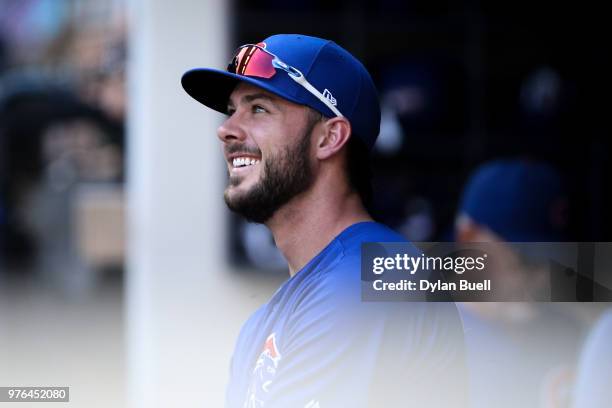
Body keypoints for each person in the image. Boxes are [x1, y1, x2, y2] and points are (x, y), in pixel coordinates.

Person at [182, 34, 466, 408]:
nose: (226, 129)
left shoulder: (371, 277)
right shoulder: (264, 322)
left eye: (259, 109)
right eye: (231, 110)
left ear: (329, 138)